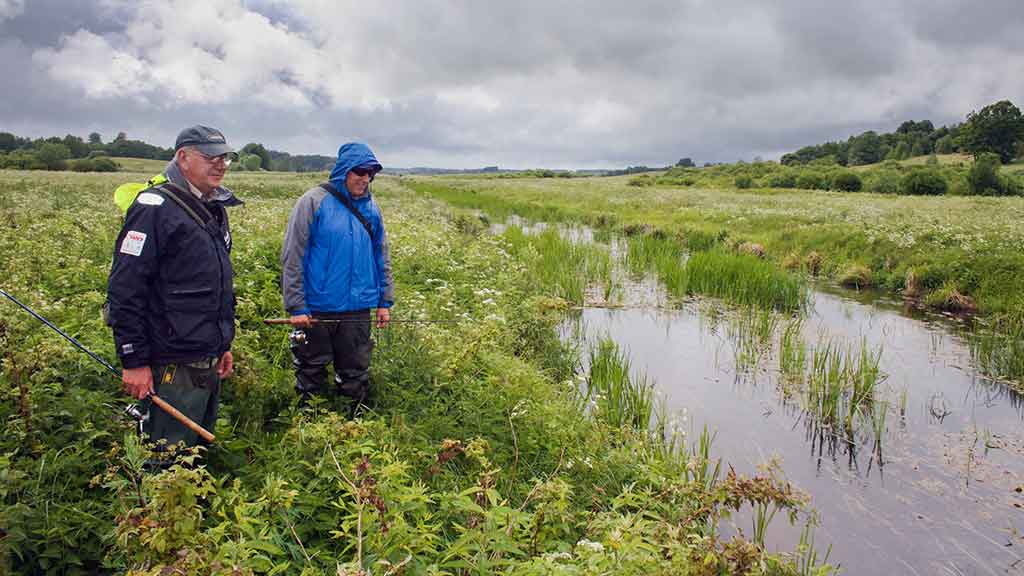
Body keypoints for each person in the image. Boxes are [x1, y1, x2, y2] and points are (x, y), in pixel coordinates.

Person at [107, 125, 241, 450]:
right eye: (210, 157)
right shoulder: (153, 208)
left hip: (204, 357)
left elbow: (211, 288)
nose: (220, 164)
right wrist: (134, 361)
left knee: (193, 458)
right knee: (166, 460)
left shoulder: (212, 206)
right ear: (183, 158)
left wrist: (221, 344)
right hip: (171, 363)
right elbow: (126, 289)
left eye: (224, 157)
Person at [281, 142, 393, 414]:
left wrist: (384, 301)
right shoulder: (312, 201)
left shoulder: (372, 209)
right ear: (344, 171)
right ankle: (309, 426)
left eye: (371, 174)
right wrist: (297, 306)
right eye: (360, 171)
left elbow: (381, 254)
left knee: (355, 372)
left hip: (357, 310)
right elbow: (293, 255)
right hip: (317, 307)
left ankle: (353, 424)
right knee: (311, 371)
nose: (365, 179)